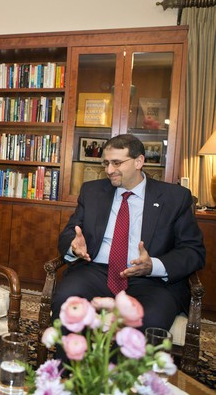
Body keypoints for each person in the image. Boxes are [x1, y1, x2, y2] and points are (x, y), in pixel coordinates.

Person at [53, 134, 205, 337]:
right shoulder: (92, 191)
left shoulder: (174, 198)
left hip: (151, 281)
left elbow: (193, 250)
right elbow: (70, 232)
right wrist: (74, 245)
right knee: (66, 301)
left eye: (117, 163)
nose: (108, 170)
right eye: (106, 163)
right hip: (96, 271)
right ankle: (71, 368)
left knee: (150, 318)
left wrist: (154, 265)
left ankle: (127, 369)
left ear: (139, 161)